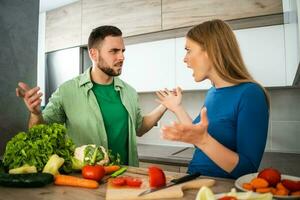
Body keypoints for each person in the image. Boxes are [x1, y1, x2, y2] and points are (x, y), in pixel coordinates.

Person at [16, 25, 167, 166]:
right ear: (93, 54)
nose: (121, 57)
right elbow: (41, 134)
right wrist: (35, 113)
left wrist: (164, 106)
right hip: (85, 181)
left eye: (122, 51)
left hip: (124, 178)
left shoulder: (129, 92)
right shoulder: (67, 91)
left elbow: (138, 128)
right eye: (114, 51)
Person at [157, 19, 269, 179]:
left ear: (210, 50)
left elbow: (247, 170)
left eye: (189, 50)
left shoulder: (251, 94)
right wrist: (177, 108)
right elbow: (197, 134)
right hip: (194, 180)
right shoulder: (213, 92)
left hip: (222, 189)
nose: (184, 59)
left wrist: (203, 140)